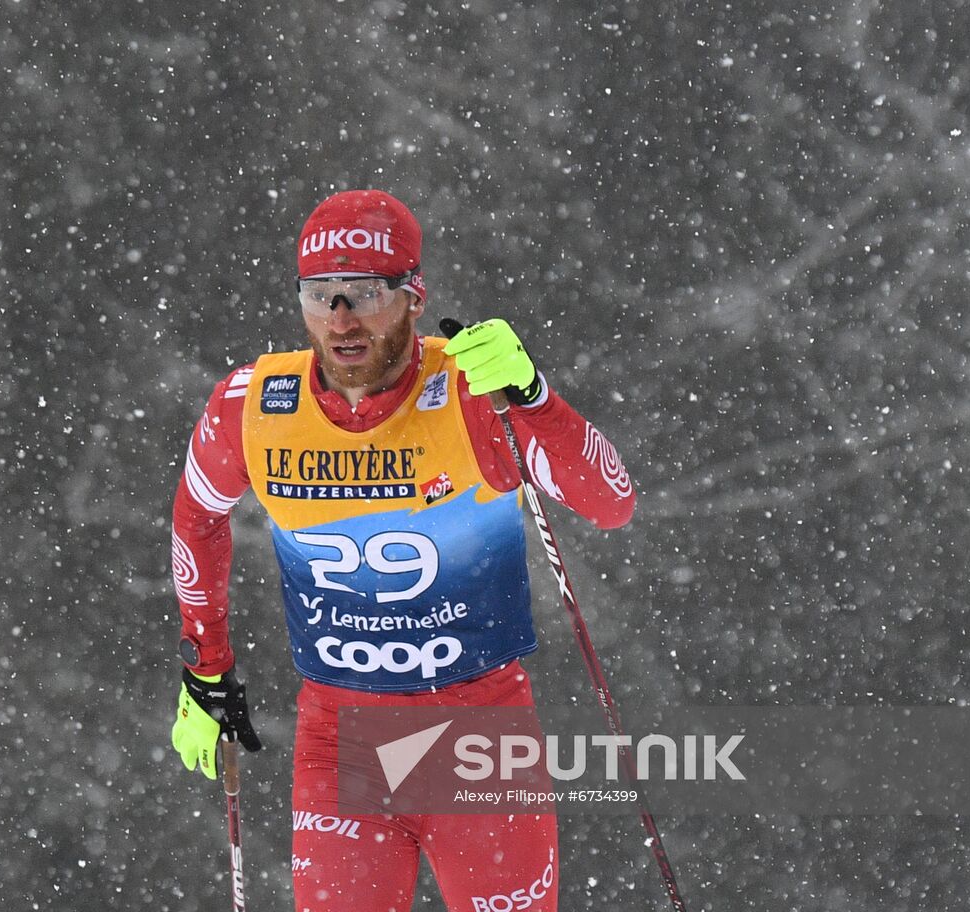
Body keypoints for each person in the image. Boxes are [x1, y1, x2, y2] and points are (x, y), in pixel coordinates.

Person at [170, 189, 635, 912]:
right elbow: (197, 517)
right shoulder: (254, 406)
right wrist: (207, 666)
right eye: (319, 294)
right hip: (342, 739)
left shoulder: (472, 389)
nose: (340, 319)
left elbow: (611, 502)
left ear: (413, 297)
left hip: (478, 737)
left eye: (364, 293)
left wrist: (534, 394)